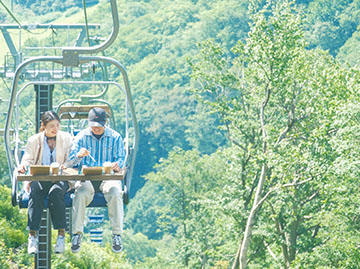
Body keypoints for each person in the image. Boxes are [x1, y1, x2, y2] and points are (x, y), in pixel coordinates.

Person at [66, 107, 126, 253]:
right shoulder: (81, 137)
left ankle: (117, 234)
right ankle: (77, 234)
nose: (96, 129)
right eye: (93, 126)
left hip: (107, 176)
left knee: (115, 192)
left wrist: (116, 165)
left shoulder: (115, 137)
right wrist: (79, 156)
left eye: (99, 127)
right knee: (80, 194)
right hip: (87, 176)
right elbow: (69, 162)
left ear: (105, 123)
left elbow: (121, 159)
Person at [18, 111, 73, 255]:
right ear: (43, 126)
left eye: (57, 125)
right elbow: (27, 159)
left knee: (56, 193)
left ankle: (61, 235)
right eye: (51, 126)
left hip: (60, 177)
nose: (55, 129)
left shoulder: (66, 139)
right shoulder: (34, 140)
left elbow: (71, 158)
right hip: (40, 178)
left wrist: (64, 166)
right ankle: (32, 235)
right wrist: (23, 166)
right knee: (35, 193)